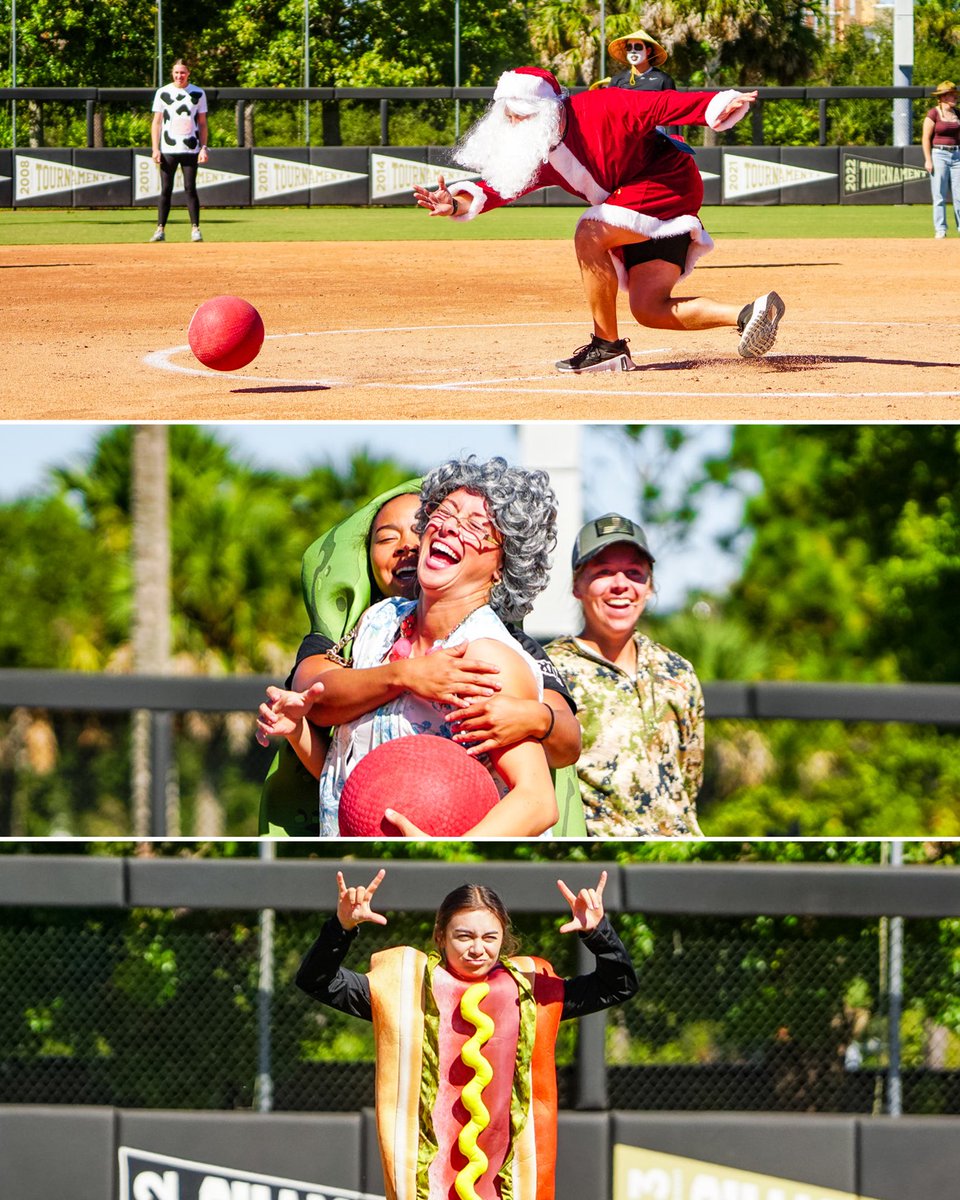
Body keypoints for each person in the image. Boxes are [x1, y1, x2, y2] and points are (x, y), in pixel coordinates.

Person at [257, 478, 585, 837]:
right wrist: (297, 730)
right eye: (443, 513)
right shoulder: (378, 623)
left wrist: (444, 851)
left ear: (502, 567)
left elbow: (537, 800)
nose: (449, 527)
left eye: (476, 526)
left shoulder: (485, 658)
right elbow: (353, 785)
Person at [413, 66, 785, 372]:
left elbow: (663, 104)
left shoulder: (603, 105)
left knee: (589, 232)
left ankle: (606, 346)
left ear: (549, 109)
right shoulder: (539, 154)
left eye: (520, 114)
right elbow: (497, 188)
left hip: (666, 184)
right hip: (630, 206)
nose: (513, 122)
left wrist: (718, 103)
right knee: (648, 308)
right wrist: (457, 203)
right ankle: (749, 314)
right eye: (507, 115)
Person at [296, 868, 637, 1200]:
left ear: (504, 939)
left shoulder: (530, 992)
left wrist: (597, 933)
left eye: (490, 937)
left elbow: (617, 986)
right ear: (441, 936)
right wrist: (341, 928)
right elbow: (317, 980)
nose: (478, 949)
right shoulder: (405, 988)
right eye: (464, 936)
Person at [546, 513, 704, 837]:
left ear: (649, 587)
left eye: (634, 573)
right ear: (577, 584)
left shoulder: (678, 671)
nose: (621, 585)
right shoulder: (549, 669)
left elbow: (690, 776)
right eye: (604, 572)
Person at [149, 59, 209, 244]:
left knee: (190, 188)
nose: (179, 76)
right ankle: (160, 229)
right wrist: (155, 148)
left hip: (190, 149)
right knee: (166, 189)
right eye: (176, 73)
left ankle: (195, 229)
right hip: (169, 149)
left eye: (182, 73)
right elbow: (157, 122)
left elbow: (203, 123)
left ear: (188, 73)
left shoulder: (198, 93)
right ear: (172, 74)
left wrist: (204, 148)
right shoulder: (163, 92)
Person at [921, 81, 960, 240]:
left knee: (959, 196)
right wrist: (928, 160)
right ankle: (940, 229)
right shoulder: (933, 114)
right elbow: (925, 138)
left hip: (957, 155)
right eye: (951, 94)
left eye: (955, 94)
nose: (955, 97)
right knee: (939, 195)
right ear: (943, 97)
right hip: (939, 154)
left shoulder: (958, 114)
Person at [602, 29, 675, 91]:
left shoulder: (663, 80)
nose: (633, 51)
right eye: (629, 47)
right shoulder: (617, 80)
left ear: (648, 51)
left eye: (638, 47)